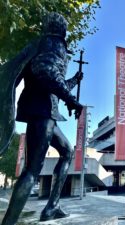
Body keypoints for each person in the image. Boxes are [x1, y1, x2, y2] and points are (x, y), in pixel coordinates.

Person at [1, 12, 83, 225]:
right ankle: (9, 221)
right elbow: (45, 71)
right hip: (42, 112)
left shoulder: (41, 44)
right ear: (60, 29)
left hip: (46, 112)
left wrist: (73, 81)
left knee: (67, 151)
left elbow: (55, 81)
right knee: (32, 170)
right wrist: (71, 99)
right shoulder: (53, 43)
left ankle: (52, 206)